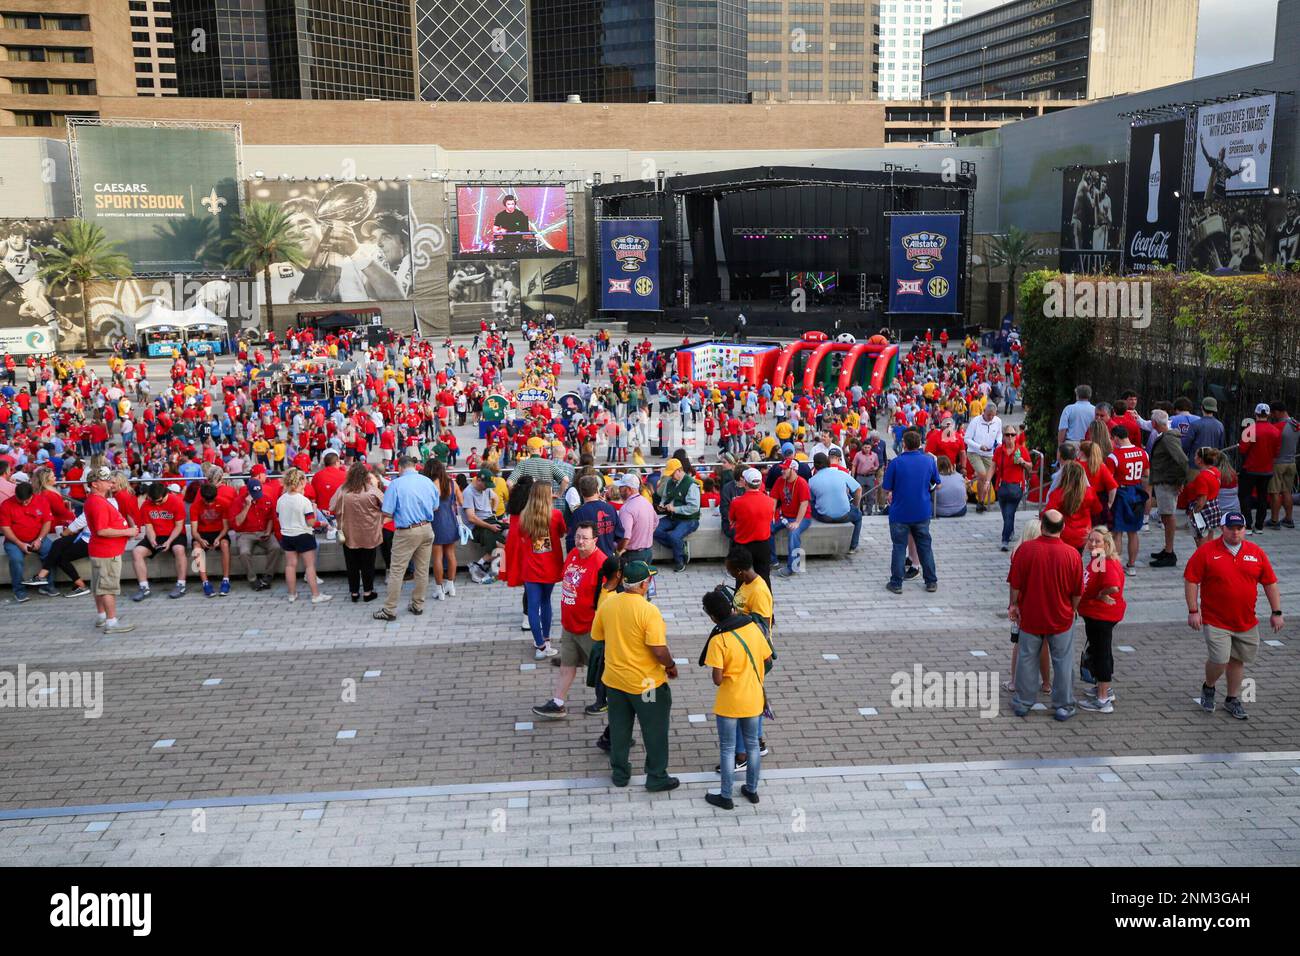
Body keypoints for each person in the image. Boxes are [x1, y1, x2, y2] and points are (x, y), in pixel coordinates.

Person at [1184, 511, 1283, 719]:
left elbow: (1270, 583)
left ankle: (1232, 699)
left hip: (1246, 621)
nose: (1236, 533)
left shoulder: (1256, 552)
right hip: (1215, 619)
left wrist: (1276, 612)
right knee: (1220, 660)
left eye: (1240, 528)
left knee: (1237, 661)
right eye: (1231, 528)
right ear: (1222, 528)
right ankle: (1209, 686)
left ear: (1245, 529)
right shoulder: (1207, 551)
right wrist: (1193, 610)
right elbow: (1191, 580)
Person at [593, 560, 680, 792]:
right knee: (654, 730)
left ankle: (620, 774)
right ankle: (656, 776)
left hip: (615, 681)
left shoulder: (608, 604)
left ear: (623, 581)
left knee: (619, 729)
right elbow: (658, 649)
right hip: (647, 684)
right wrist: (670, 665)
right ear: (644, 584)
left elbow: (597, 635)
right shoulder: (649, 611)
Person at [1007, 509, 1082, 720]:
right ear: (1063, 528)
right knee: (1063, 661)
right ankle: (1063, 705)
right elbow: (1077, 592)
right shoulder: (1072, 554)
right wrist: (1072, 608)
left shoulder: (1026, 550)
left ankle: (1023, 702)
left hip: (1031, 615)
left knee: (1027, 658)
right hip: (1061, 616)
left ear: (1042, 527)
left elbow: (1016, 584)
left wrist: (1014, 605)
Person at [701, 588, 772, 811]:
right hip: (753, 698)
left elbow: (717, 679)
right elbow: (767, 658)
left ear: (713, 616)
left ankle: (725, 796)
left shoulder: (718, 639)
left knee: (727, 748)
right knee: (752, 745)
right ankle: (751, 790)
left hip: (729, 702)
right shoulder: (752, 627)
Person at [531, 521, 606, 719]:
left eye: (585, 538)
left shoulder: (601, 564)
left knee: (601, 669)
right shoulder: (573, 554)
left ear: (595, 540)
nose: (580, 541)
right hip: (569, 625)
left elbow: (608, 600)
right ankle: (558, 703)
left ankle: (605, 701)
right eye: (578, 537)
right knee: (567, 665)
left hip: (590, 628)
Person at [373, 455, 438, 621]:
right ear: (414, 466)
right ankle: (418, 605)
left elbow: (387, 511)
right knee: (422, 570)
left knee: (397, 571)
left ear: (400, 468)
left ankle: (390, 609)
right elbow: (435, 506)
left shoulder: (396, 484)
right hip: (426, 528)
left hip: (406, 531)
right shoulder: (427, 481)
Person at [882, 430, 939, 594]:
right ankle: (931, 581)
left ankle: (896, 583)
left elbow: (886, 488)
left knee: (899, 547)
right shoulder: (929, 461)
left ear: (904, 445)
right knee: (925, 547)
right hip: (922, 511)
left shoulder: (896, 463)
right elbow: (937, 483)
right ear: (919, 444)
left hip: (900, 512)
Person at [1077, 527, 1127, 714]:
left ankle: (1103, 699)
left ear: (1106, 544)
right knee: (1100, 650)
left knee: (1101, 653)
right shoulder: (1098, 559)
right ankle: (1102, 687)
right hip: (1095, 614)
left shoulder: (1105, 561)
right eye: (1090, 540)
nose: (1092, 544)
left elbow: (1112, 586)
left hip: (1101, 615)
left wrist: (1100, 594)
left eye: (1097, 541)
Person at [83, 466, 137, 633]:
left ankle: (102, 616)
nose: (110, 482)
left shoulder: (96, 500)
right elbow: (102, 530)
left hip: (102, 550)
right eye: (105, 480)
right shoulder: (98, 502)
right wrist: (127, 531)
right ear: (94, 484)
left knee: (100, 584)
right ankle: (111, 622)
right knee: (107, 587)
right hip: (106, 552)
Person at [519, 481, 566, 660]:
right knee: (546, 602)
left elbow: (520, 536)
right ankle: (546, 640)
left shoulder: (524, 516)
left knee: (532, 606)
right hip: (551, 566)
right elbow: (562, 532)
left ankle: (539, 645)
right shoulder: (555, 515)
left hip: (531, 567)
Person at [330, 462, 384, 603]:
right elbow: (386, 505)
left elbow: (332, 506)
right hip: (369, 533)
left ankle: (354, 592)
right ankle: (368, 592)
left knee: (351, 565)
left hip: (349, 534)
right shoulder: (372, 490)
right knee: (368, 564)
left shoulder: (343, 490)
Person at [276, 467, 330, 605]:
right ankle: (315, 594)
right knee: (309, 566)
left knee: (290, 565)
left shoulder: (281, 500)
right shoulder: (304, 501)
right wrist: (322, 523)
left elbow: (278, 517)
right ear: (300, 481)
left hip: (287, 535)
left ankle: (292, 594)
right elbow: (311, 522)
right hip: (303, 535)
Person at [130, 481, 189, 601]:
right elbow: (149, 527)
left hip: (175, 534)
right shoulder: (147, 504)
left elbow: (179, 526)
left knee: (179, 549)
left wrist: (169, 541)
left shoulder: (176, 502)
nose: (156, 504)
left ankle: (181, 585)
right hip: (156, 535)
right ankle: (144, 587)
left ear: (165, 494)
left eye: (159, 501)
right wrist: (152, 541)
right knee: (137, 552)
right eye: (153, 501)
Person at [1148, 409, 1189, 567]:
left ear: (1155, 423)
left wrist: (1180, 481)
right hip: (1164, 480)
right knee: (1165, 515)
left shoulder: (1168, 438)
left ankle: (1170, 552)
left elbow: (1182, 460)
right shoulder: (1167, 436)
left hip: (1167, 481)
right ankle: (1167, 549)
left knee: (1168, 515)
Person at [1107, 425, 1149, 574]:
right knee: (1133, 531)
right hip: (1137, 491)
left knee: (1117, 531)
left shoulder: (1114, 456)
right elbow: (1146, 474)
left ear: (1116, 438)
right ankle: (1132, 566)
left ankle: (1116, 566)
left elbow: (1110, 481)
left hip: (1121, 492)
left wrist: (1109, 501)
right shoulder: (1143, 453)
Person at [1, 480, 52, 604]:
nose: (24, 503)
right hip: (14, 541)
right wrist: (20, 544)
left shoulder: (41, 500)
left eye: (27, 501)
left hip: (39, 537)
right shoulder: (6, 505)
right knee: (16, 560)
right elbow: (6, 529)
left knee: (51, 552)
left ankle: (48, 585)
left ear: (32, 495)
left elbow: (47, 522)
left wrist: (39, 539)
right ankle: (19, 591)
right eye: (20, 501)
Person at [230, 476, 282, 592]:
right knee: (244, 552)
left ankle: (268, 576)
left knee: (276, 547)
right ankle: (252, 578)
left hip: (263, 532)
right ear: (248, 491)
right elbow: (237, 523)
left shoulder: (266, 498)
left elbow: (270, 518)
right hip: (245, 533)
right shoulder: (238, 502)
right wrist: (247, 506)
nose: (257, 496)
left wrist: (268, 531)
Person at [652, 457, 700, 572]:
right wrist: (662, 505)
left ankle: (679, 561)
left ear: (679, 470)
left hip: (689, 519)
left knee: (674, 536)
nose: (670, 476)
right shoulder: (670, 481)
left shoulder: (691, 484)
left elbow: (693, 508)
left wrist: (675, 509)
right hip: (673, 516)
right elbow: (664, 497)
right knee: (654, 529)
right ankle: (680, 546)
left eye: (672, 473)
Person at [809, 451, 864, 551]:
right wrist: (855, 506)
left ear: (815, 466)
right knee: (858, 516)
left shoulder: (812, 481)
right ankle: (852, 546)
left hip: (824, 517)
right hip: (844, 515)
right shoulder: (841, 474)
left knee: (812, 503)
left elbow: (811, 499)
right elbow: (858, 489)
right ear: (828, 462)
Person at [1042, 461, 1101, 552]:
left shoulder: (1058, 493)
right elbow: (1097, 509)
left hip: (1064, 534)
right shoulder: (1090, 492)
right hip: (1083, 535)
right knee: (1077, 557)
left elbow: (1048, 513)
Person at [425, 459, 463, 601]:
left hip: (436, 522)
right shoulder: (452, 483)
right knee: (451, 554)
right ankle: (450, 585)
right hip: (451, 521)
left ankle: (439, 589)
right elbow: (461, 501)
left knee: (437, 558)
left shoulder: (430, 484)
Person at [464, 467, 507, 584]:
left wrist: (493, 512)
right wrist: (490, 526)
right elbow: (471, 518)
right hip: (478, 526)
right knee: (500, 546)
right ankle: (482, 566)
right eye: (485, 485)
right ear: (478, 480)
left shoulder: (486, 489)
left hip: (491, 520)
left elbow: (495, 498)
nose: (487, 488)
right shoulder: (468, 492)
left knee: (510, 533)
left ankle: (488, 566)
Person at [769, 457, 811, 577]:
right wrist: (769, 515)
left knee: (793, 533)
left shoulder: (801, 483)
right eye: (782, 469)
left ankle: (792, 567)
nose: (782, 471)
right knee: (767, 528)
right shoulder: (780, 480)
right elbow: (773, 499)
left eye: (785, 469)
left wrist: (797, 522)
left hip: (802, 517)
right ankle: (773, 561)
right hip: (785, 516)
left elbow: (804, 504)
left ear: (792, 469)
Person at [992, 424, 1030, 550]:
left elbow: (1030, 466)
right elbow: (993, 466)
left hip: (1016, 488)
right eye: (1007, 435)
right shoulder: (999, 450)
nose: (1010, 437)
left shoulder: (1021, 450)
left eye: (1012, 435)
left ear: (1016, 436)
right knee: (1007, 514)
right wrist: (987, 482)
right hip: (1002, 487)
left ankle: (1005, 540)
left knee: (1009, 512)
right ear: (1003, 436)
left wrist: (1023, 462)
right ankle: (1010, 530)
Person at [1178, 447, 1222, 547]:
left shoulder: (1202, 477)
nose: (1194, 458)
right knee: (1210, 538)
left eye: (1195, 456)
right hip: (1213, 507)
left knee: (1201, 540)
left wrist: (1193, 514)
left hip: (1203, 510)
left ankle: (1203, 560)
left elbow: (1201, 500)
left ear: (1200, 460)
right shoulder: (1215, 471)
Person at [964, 401, 1002, 512]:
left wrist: (998, 443)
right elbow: (966, 439)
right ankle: (980, 501)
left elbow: (999, 434)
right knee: (982, 474)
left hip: (989, 454)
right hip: (974, 452)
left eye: (992, 415)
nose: (990, 417)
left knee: (987, 479)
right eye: (988, 415)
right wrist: (979, 446)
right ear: (983, 412)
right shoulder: (975, 421)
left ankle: (980, 502)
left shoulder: (998, 421)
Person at [1266, 403, 1298, 529]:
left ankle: (1274, 521)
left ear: (1278, 412)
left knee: (1275, 492)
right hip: (1291, 462)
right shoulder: (1296, 424)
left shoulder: (1278, 426)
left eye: (1273, 413)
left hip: (1278, 463)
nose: (1272, 416)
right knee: (1287, 491)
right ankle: (1289, 519)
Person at [615, 473, 656, 563]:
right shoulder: (646, 502)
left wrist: (618, 551)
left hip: (632, 555)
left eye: (621, 487)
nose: (619, 490)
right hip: (648, 552)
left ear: (629, 489)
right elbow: (655, 523)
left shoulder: (626, 508)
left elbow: (625, 537)